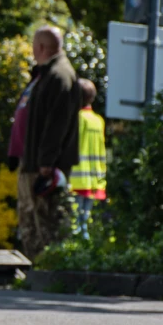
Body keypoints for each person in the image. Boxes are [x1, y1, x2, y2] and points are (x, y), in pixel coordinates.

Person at [16, 26, 81, 259]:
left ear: (41, 47)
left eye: (34, 46)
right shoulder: (46, 74)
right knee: (30, 220)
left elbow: (57, 123)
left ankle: (47, 268)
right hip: (32, 161)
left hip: (43, 167)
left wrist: (46, 161)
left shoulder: (59, 75)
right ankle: (34, 267)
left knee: (44, 223)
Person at [68, 78, 106, 240]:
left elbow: (70, 146)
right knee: (85, 222)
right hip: (94, 179)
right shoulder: (98, 120)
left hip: (76, 179)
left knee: (74, 225)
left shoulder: (76, 118)